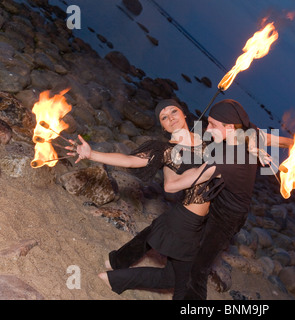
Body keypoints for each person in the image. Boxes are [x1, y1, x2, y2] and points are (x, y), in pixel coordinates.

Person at [67, 99, 211, 299]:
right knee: (187, 284)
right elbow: (129, 160)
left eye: (173, 112)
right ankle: (116, 267)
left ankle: (115, 272)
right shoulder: (165, 151)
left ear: (184, 114)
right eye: (164, 117)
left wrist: (255, 152)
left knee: (167, 267)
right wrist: (92, 154)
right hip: (185, 220)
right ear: (162, 126)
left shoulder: (207, 141)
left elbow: (234, 156)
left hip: (200, 223)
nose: (170, 118)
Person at [163, 99, 293, 300]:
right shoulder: (247, 133)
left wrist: (168, 157)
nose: (208, 127)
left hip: (227, 217)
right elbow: (272, 140)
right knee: (187, 245)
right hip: (217, 197)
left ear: (230, 127)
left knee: (199, 268)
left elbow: (172, 185)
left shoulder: (227, 159)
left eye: (213, 125)